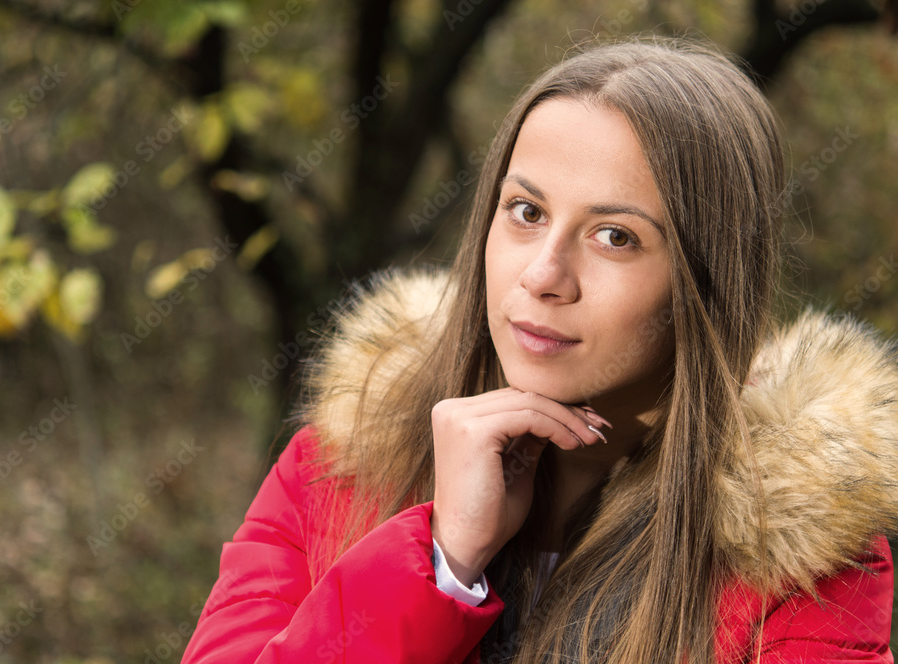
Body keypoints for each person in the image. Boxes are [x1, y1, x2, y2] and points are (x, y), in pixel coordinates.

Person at [180, 36, 898, 663]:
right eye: (526, 212)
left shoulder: (799, 553)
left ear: (705, 285)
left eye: (615, 237)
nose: (543, 274)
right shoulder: (337, 467)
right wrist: (442, 559)